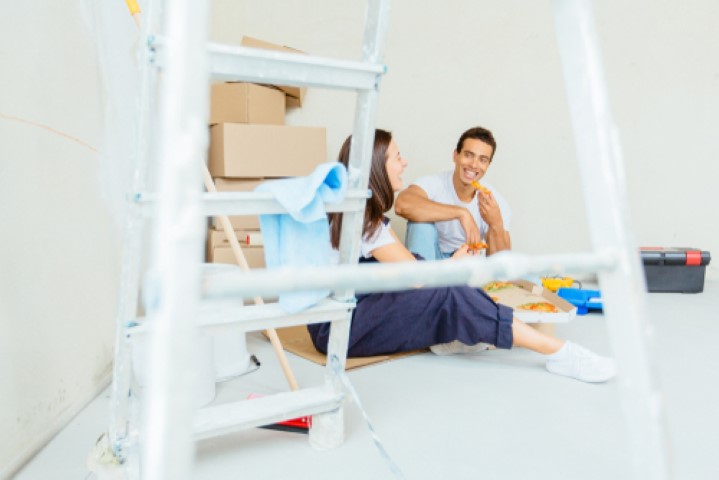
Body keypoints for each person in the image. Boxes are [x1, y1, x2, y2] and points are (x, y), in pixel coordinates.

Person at [307, 129, 616, 383]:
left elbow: (498, 263)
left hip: (344, 308)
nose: (404, 162)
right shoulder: (367, 220)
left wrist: (491, 225)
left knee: (430, 270)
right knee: (448, 290)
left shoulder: (350, 208)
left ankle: (467, 322)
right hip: (337, 329)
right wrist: (452, 262)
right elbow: (415, 274)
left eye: (483, 159)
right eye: (397, 157)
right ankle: (559, 352)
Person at [395, 126, 510, 260]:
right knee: (420, 224)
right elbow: (402, 205)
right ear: (456, 155)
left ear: (488, 165)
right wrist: (461, 213)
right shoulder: (435, 183)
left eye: (482, 160)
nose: (474, 164)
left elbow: (502, 266)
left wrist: (496, 224)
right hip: (431, 260)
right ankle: (421, 280)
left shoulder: (494, 203)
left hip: (467, 264)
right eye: (468, 155)